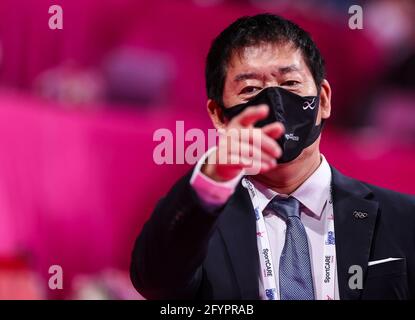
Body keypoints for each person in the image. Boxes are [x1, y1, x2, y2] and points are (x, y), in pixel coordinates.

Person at [130, 13, 415, 300]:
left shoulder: (403, 218)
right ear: (219, 114)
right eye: (250, 89)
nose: (276, 104)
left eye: (290, 83)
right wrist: (212, 182)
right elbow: (156, 283)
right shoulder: (197, 223)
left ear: (324, 100)